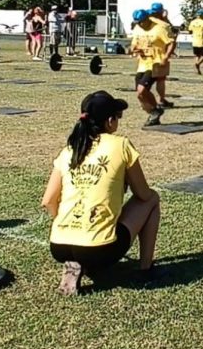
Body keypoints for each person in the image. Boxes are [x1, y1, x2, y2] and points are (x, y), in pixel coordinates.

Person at [41, 91, 161, 295]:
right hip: (99, 248)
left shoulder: (70, 149)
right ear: (110, 121)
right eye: (118, 117)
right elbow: (143, 194)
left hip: (59, 245)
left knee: (85, 236)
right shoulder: (120, 144)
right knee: (153, 198)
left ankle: (79, 260)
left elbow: (48, 201)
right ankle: (145, 269)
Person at [130, 9, 172, 126]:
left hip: (155, 63)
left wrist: (166, 57)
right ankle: (155, 112)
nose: (140, 24)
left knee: (142, 89)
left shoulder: (159, 28)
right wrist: (133, 48)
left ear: (147, 19)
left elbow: (171, 43)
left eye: (141, 22)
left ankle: (155, 111)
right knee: (140, 95)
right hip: (142, 64)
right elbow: (134, 43)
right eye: (138, 22)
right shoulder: (138, 28)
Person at [148, 2, 176, 108]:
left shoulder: (146, 22)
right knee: (160, 80)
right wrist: (166, 18)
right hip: (159, 54)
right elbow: (172, 34)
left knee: (146, 79)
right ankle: (160, 100)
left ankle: (151, 98)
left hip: (146, 55)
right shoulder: (163, 24)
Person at [188, 9, 203, 74]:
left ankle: (198, 70)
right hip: (201, 41)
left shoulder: (192, 22)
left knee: (197, 55)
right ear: (202, 15)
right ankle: (197, 63)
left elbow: (190, 32)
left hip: (194, 41)